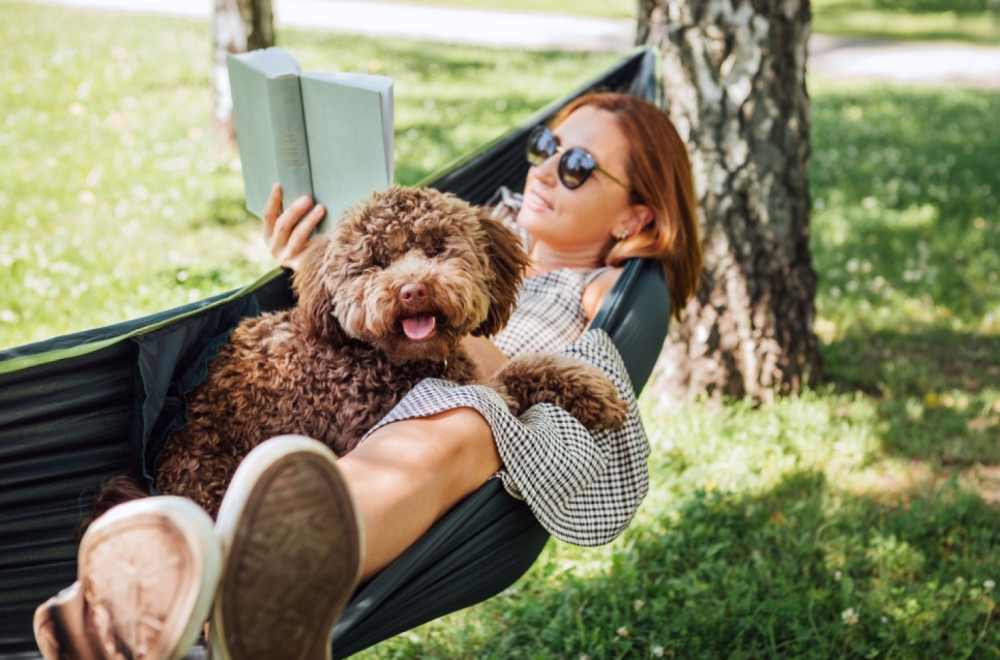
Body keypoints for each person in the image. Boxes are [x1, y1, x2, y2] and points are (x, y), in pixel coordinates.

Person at [33, 92, 702, 660]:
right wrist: (309, 262)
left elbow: (590, 382)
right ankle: (137, 605)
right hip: (329, 405)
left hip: (464, 416)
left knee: (461, 418)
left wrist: (464, 335)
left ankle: (221, 584)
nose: (549, 171)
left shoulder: (602, 288)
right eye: (547, 146)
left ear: (635, 217)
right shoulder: (475, 216)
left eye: (579, 165)